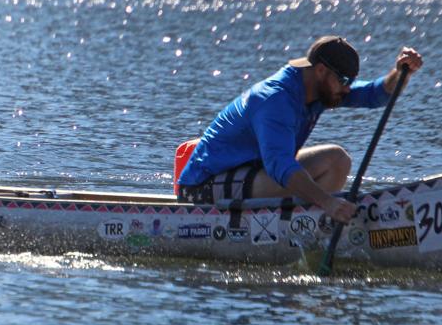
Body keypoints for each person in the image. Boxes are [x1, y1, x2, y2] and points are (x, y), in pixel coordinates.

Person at [175, 36, 423, 223]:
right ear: (321, 70)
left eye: (351, 81)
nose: (347, 89)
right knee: (313, 168)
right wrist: (327, 201)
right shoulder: (275, 100)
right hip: (201, 189)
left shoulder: (319, 89)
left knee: (337, 160)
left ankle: (312, 226)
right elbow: (280, 166)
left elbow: (374, 94)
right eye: (344, 80)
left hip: (249, 174)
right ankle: (315, 222)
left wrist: (401, 72)